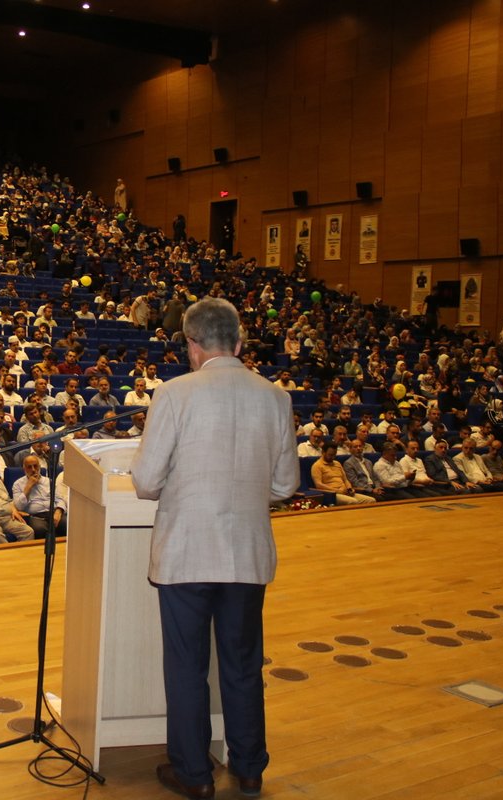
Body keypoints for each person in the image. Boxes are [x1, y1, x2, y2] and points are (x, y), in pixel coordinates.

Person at [131, 298, 299, 800]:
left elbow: (145, 480)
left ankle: (193, 774)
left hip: (186, 553)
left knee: (186, 666)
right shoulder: (275, 397)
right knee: (244, 663)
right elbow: (286, 483)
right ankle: (249, 768)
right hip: (246, 554)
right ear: (240, 342)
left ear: (192, 343)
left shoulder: (175, 393)